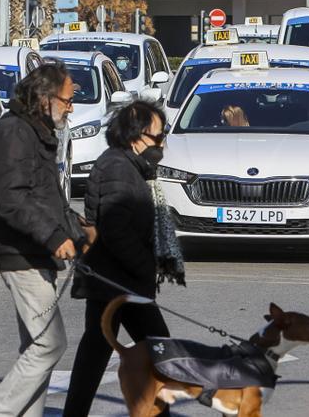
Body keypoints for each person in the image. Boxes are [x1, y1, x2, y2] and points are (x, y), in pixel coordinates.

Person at [0, 62, 91, 417]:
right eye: (67, 100)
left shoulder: (34, 131)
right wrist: (55, 237)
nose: (70, 108)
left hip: (34, 251)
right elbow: (13, 199)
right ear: (44, 98)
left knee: (36, 347)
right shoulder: (14, 133)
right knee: (49, 344)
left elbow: (48, 197)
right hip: (21, 253)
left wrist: (77, 229)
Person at [63, 100, 185, 416]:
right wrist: (145, 267)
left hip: (117, 280)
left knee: (98, 351)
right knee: (159, 352)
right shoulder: (118, 168)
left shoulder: (128, 166)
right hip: (117, 280)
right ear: (135, 136)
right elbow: (115, 230)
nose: (161, 144)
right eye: (157, 137)